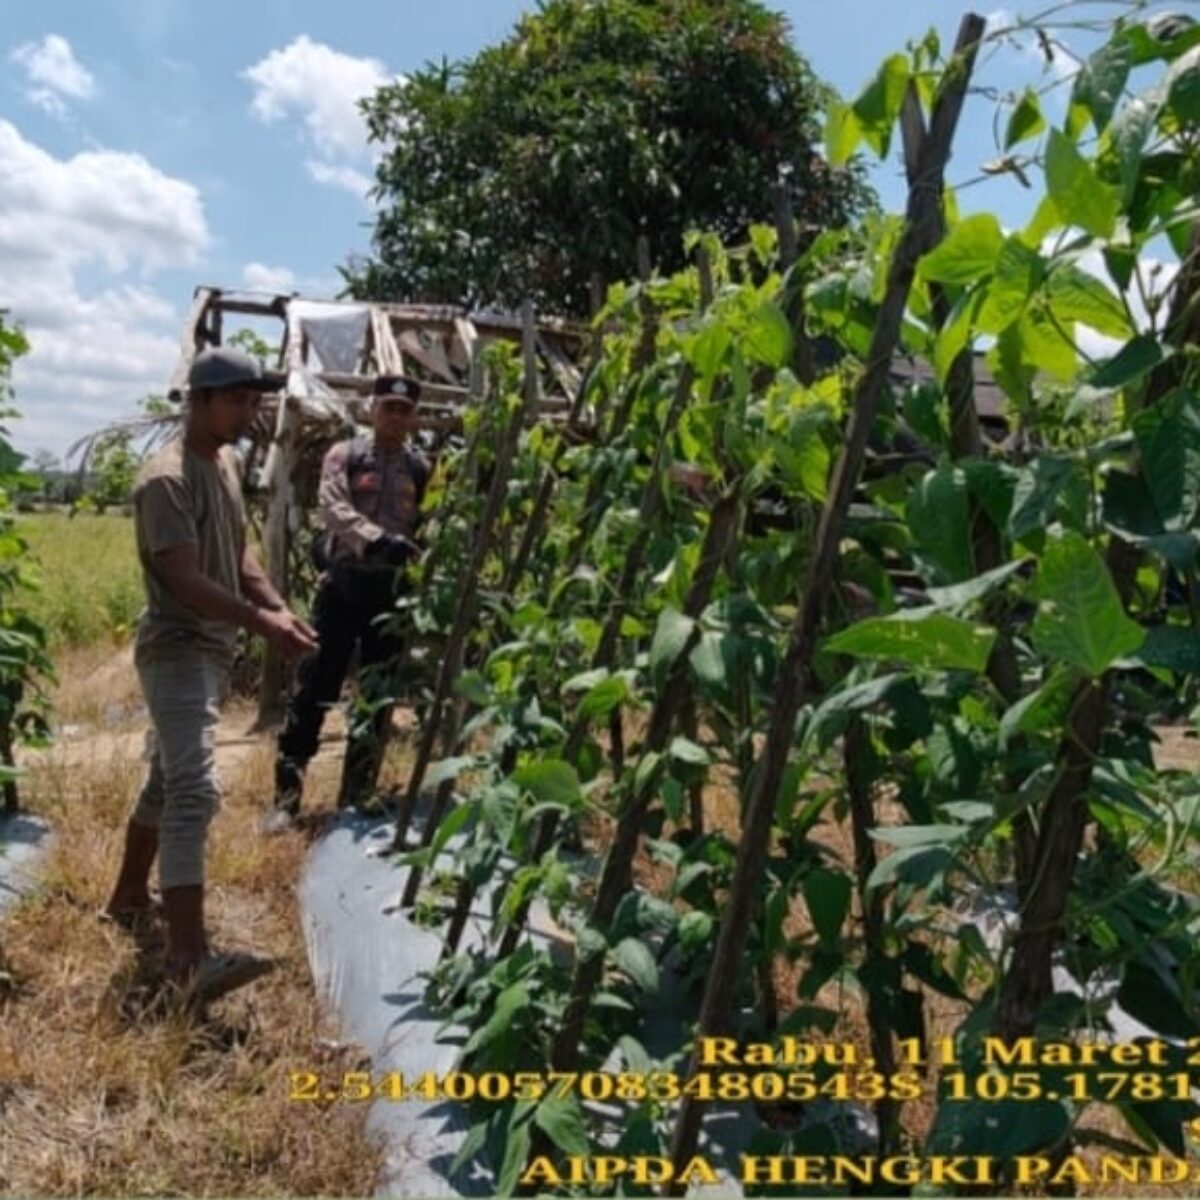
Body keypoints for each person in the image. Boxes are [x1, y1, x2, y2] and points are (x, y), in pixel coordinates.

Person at [103, 345, 319, 1009]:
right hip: (177, 649)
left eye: (254, 402)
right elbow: (185, 579)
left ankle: (130, 896)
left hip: (209, 648)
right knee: (196, 788)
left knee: (169, 781)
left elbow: (238, 552)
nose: (247, 413)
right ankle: (188, 959)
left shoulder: (220, 463)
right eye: (234, 400)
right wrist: (262, 625)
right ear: (195, 401)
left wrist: (277, 605)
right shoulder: (165, 480)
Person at [267, 375, 429, 831]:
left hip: (389, 594)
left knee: (375, 695)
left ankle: (356, 792)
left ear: (413, 416)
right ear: (372, 409)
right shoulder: (346, 455)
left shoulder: (420, 467)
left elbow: (428, 522)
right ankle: (286, 797)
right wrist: (376, 539)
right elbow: (332, 508)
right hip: (342, 586)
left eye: (404, 409)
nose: (395, 416)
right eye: (388, 407)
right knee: (317, 684)